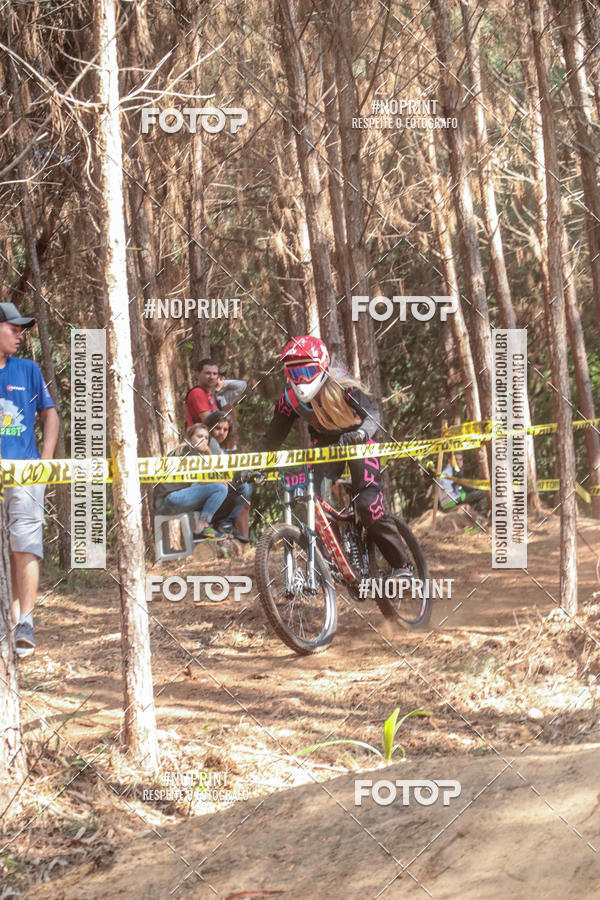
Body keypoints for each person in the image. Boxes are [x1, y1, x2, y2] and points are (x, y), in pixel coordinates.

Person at [256, 335, 412, 572]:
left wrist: (361, 434)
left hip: (359, 441)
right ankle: (329, 558)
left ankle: (403, 566)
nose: (299, 381)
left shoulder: (342, 386)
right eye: (293, 374)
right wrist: (251, 466)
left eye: (306, 373)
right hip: (325, 445)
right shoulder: (289, 400)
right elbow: (271, 440)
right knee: (307, 499)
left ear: (322, 368)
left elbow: (373, 416)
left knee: (368, 506)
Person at [0, 302, 59, 658]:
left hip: (25, 472)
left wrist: (46, 459)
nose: (21, 336)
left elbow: (50, 414)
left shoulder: (28, 369)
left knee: (26, 544)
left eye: (23, 330)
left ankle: (26, 622)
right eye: (14, 329)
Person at [153, 423, 228, 540]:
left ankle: (206, 528)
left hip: (167, 501)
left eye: (206, 438)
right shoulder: (188, 451)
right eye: (199, 436)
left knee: (215, 494)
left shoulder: (189, 452)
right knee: (220, 489)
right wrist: (221, 481)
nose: (203, 440)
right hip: (169, 499)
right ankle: (201, 528)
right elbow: (202, 481)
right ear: (190, 438)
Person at [204, 410, 252, 542]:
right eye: (218, 428)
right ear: (210, 427)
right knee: (243, 487)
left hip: (214, 483)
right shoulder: (210, 441)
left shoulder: (217, 444)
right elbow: (222, 468)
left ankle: (225, 524)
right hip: (201, 485)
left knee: (246, 484)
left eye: (225, 429)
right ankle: (224, 523)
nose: (222, 432)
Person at [185, 359, 219, 428]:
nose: (211, 377)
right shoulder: (198, 393)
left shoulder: (208, 395)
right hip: (199, 437)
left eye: (215, 374)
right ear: (198, 374)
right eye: (208, 373)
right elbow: (209, 421)